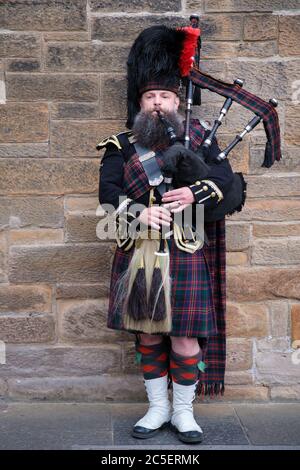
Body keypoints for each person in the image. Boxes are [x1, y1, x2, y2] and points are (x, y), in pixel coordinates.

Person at [97, 25, 235, 444]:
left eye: (165, 97)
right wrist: (140, 213)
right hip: (140, 248)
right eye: (150, 97)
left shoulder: (202, 139)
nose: (158, 104)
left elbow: (226, 180)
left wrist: (192, 191)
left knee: (185, 335)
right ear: (140, 103)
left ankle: (183, 412)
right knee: (149, 331)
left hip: (187, 248)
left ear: (178, 102)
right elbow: (107, 194)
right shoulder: (121, 145)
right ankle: (157, 408)